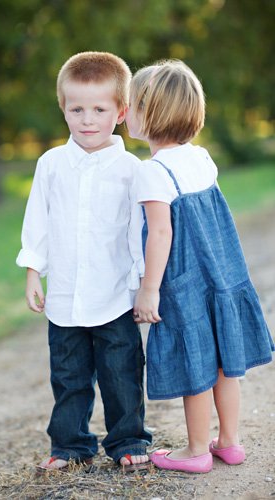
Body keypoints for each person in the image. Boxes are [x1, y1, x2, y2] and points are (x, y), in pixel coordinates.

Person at [126, 59, 274, 473]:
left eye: (131, 104)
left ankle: (195, 451)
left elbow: (160, 234)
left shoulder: (152, 171)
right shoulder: (201, 158)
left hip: (184, 282)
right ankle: (229, 441)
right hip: (221, 275)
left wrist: (149, 289)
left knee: (197, 363)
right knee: (225, 363)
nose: (125, 111)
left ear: (150, 114)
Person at [16, 51, 152, 472]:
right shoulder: (51, 164)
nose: (87, 120)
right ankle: (70, 445)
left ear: (121, 112)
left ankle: (128, 440)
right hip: (65, 296)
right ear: (64, 108)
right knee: (69, 377)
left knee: (121, 375)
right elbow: (38, 221)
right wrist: (33, 273)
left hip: (115, 296)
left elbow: (138, 233)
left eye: (99, 109)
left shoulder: (131, 169)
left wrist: (142, 286)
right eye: (77, 109)